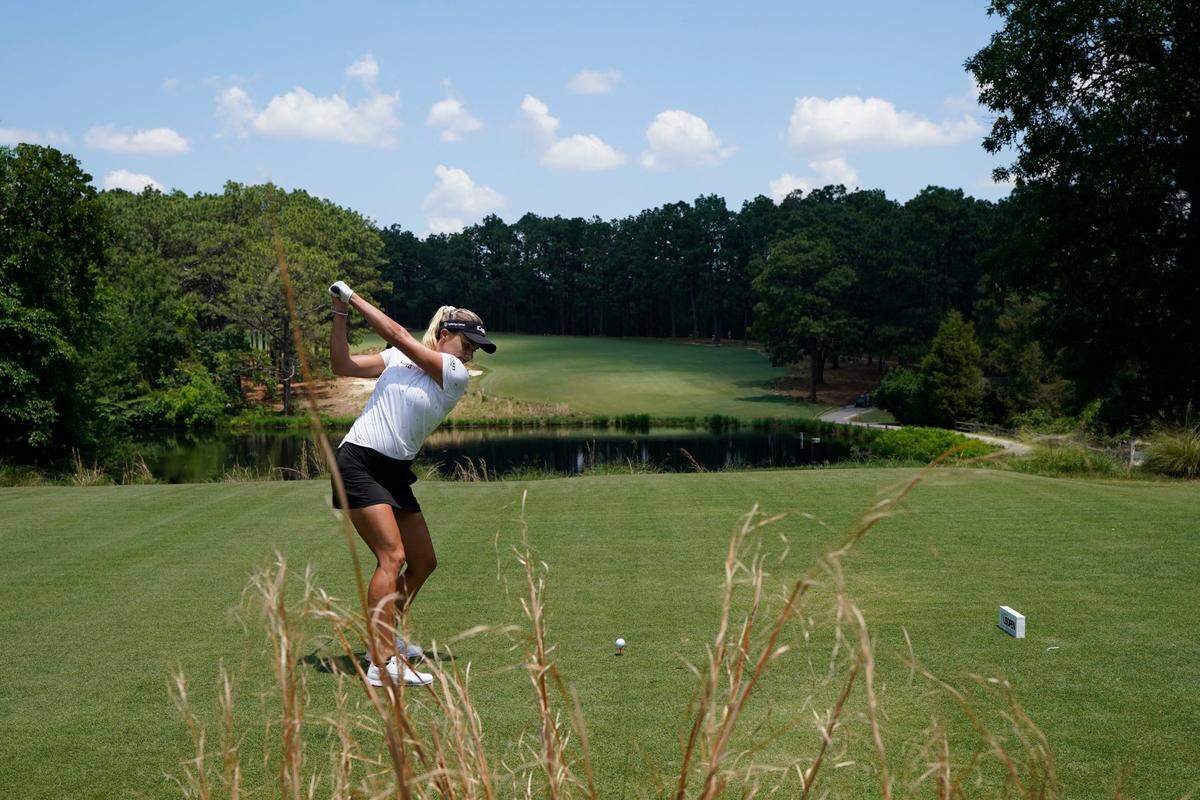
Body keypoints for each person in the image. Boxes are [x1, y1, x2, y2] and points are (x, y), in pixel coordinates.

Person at [327, 280, 495, 686]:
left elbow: (399, 335)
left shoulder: (455, 373)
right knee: (393, 557)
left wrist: (350, 294)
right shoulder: (396, 360)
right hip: (359, 460)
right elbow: (343, 366)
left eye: (476, 347)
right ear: (444, 334)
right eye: (467, 342)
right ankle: (381, 665)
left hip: (394, 470)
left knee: (423, 562)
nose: (471, 352)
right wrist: (340, 313)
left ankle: (382, 638)